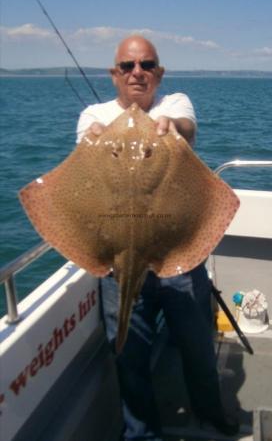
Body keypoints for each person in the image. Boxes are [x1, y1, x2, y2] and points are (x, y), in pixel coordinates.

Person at [76, 36, 238, 441]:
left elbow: (185, 127)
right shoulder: (93, 114)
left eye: (147, 65)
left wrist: (171, 129)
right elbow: (83, 154)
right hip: (120, 257)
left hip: (179, 254)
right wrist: (95, 137)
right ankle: (140, 433)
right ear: (114, 74)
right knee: (128, 351)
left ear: (159, 74)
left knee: (198, 347)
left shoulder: (174, 104)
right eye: (127, 66)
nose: (137, 72)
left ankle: (210, 413)